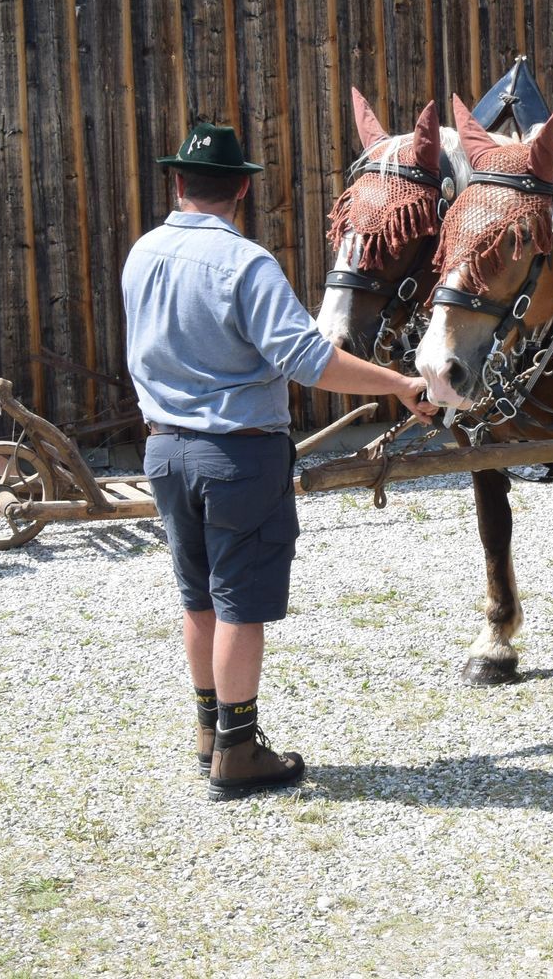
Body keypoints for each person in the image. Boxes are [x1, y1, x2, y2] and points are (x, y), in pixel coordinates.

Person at [123, 123, 435, 800]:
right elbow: (310, 360)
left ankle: (210, 731)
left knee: (197, 593)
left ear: (178, 184)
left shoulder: (143, 254)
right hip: (235, 455)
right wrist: (400, 385)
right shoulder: (245, 265)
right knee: (241, 603)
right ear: (241, 188)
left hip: (165, 449)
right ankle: (238, 751)